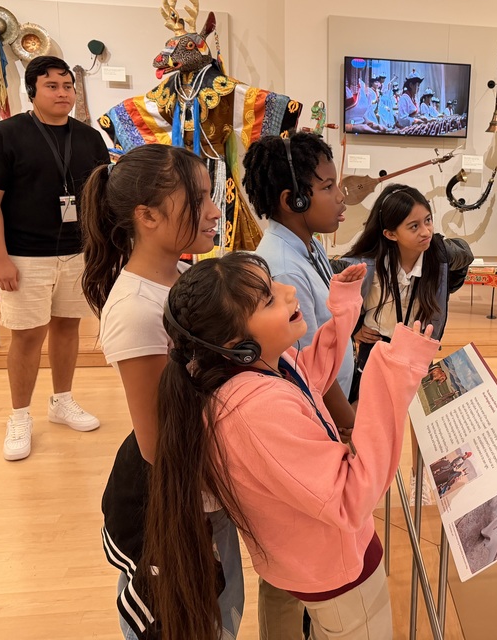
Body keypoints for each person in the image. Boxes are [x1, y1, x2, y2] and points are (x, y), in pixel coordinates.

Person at [142, 252, 439, 640]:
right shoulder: (256, 409)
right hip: (336, 572)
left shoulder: (261, 366)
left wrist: (346, 309)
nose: (289, 291)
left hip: (295, 560)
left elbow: (311, 374)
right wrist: (395, 374)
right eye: (268, 299)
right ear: (236, 342)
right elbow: (352, 498)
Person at [79, 144, 251, 640]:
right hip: (180, 505)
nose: (216, 210)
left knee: (222, 615)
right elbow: (157, 442)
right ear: (148, 215)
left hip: (207, 494)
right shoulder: (135, 308)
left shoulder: (184, 278)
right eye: (199, 198)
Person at [243, 131, 358, 635]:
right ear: (295, 201)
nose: (341, 198)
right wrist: (351, 427)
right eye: (330, 188)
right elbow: (308, 367)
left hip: (322, 413)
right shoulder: (283, 261)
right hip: (315, 419)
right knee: (294, 562)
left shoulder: (302, 246)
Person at [0, 55, 110, 461]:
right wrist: (0, 258)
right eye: (52, 86)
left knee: (68, 329)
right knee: (28, 335)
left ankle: (62, 401)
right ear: (31, 90)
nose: (63, 93)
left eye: (68, 86)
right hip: (23, 254)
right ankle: (19, 416)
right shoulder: (3, 135)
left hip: (78, 252)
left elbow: (103, 198)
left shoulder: (89, 138)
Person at [337, 184, 473, 403]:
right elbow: (339, 304)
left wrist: (447, 286)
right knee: (371, 415)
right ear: (390, 234)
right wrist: (355, 329)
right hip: (376, 351)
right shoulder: (365, 265)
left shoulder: (439, 254)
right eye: (414, 226)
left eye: (428, 220)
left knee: (420, 417)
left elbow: (465, 256)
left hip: (417, 352)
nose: (426, 231)